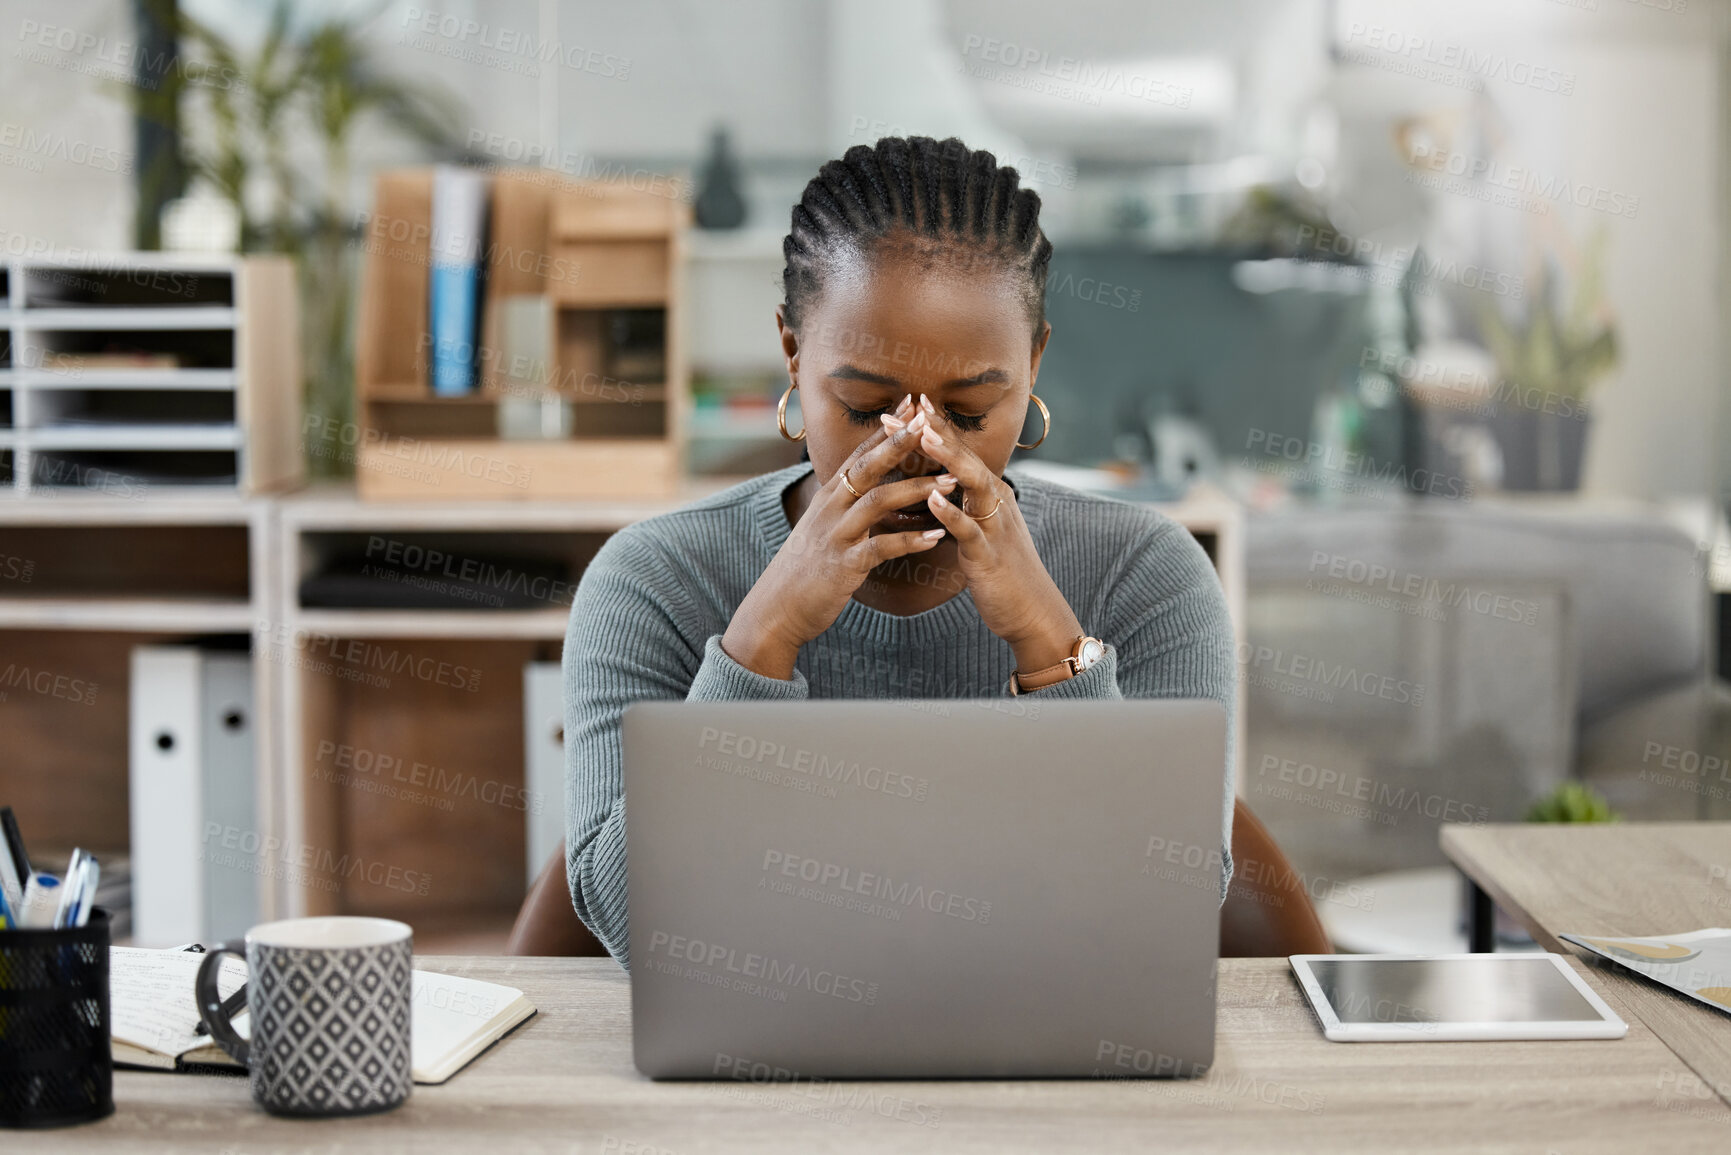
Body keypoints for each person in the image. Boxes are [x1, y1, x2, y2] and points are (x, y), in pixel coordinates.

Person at [564, 136, 1236, 968]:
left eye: (966, 412)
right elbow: (634, 925)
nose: (918, 449)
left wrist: (1049, 642)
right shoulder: (654, 580)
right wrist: (761, 640)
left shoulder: (1147, 576)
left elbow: (1159, 916)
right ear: (791, 355)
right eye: (864, 405)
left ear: (1031, 365)